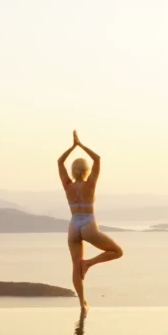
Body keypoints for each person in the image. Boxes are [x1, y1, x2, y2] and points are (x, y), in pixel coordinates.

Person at [57, 130, 123, 312]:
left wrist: (72, 147)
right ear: (86, 171)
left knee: (74, 266)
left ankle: (82, 303)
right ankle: (89, 263)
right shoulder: (90, 184)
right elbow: (98, 159)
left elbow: (59, 162)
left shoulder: (67, 185)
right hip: (88, 224)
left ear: (72, 171)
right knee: (117, 251)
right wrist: (81, 145)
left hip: (73, 225)